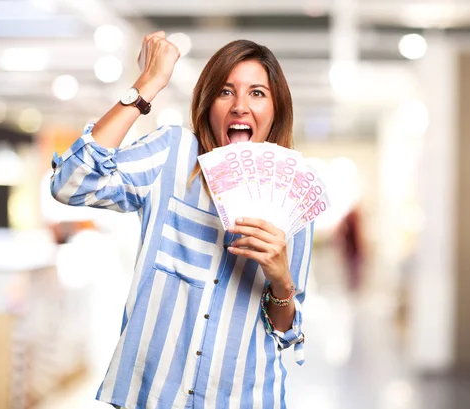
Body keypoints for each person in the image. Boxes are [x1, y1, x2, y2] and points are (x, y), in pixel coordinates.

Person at [50, 31, 313, 409]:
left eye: (257, 93)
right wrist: (146, 85)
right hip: (153, 396)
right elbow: (70, 183)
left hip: (246, 399)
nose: (240, 105)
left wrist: (281, 281)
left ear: (276, 110)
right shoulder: (172, 154)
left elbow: (287, 333)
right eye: (226, 91)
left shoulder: (292, 193)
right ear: (208, 104)